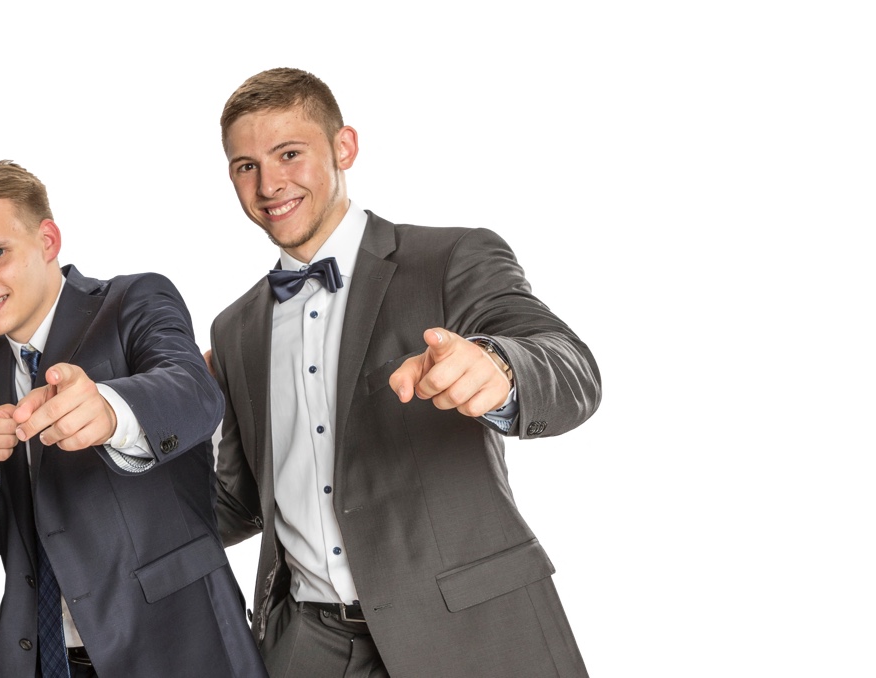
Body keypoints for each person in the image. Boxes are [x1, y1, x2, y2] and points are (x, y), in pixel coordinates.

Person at [209, 68, 601, 677]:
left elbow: (570, 366)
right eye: (245, 166)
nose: (269, 184)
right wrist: (140, 434)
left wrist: (499, 368)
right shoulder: (234, 329)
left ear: (344, 147)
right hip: (306, 647)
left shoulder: (450, 258)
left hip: (468, 634)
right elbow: (239, 503)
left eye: (289, 154)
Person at [0, 161, 266, 678]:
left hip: (176, 648)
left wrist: (111, 410)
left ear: (47, 240)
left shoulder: (133, 301)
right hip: (44, 662)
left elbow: (195, 393)